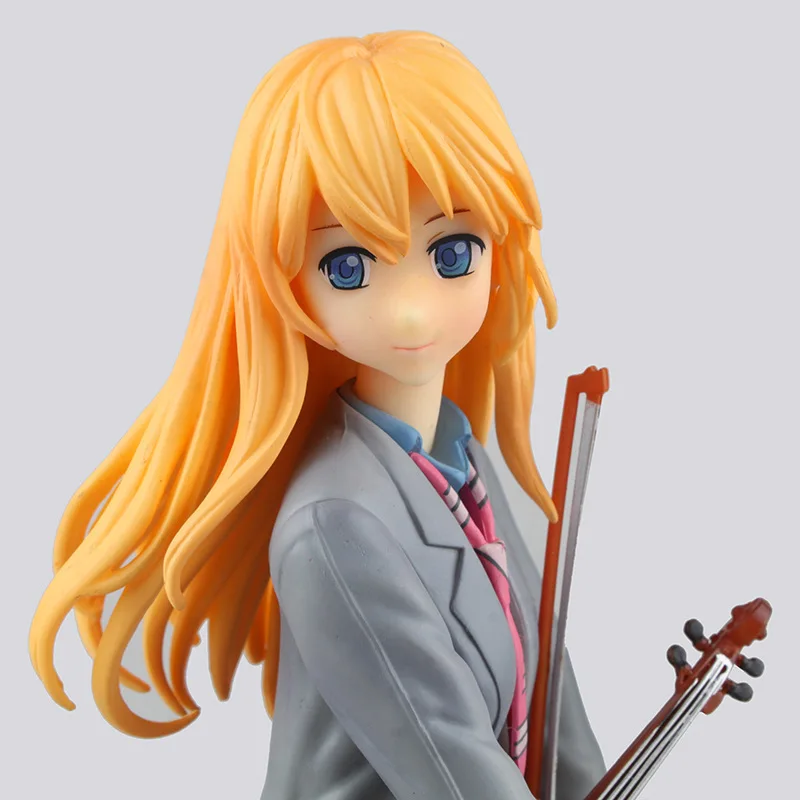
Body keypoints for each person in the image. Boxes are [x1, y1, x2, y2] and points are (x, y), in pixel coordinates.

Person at [29, 31, 605, 799]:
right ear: (285, 285)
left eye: (452, 252)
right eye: (348, 266)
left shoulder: (460, 458)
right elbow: (448, 763)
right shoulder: (336, 524)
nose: (410, 311)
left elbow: (548, 682)